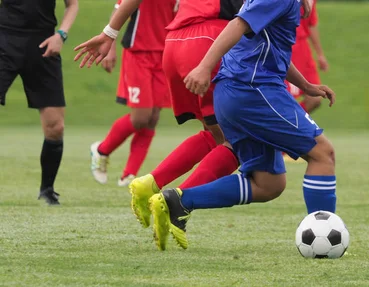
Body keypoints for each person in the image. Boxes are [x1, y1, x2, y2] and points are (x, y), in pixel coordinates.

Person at [159, 0, 337, 250]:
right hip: (253, 90)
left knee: (269, 183)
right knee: (322, 154)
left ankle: (180, 200)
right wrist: (205, 66)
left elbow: (271, 47)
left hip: (236, 91)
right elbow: (238, 24)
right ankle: (324, 239)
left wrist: (306, 86)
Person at [74, 0, 245, 228]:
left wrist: (109, 33)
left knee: (211, 133)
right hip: (208, 40)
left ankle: (144, 181)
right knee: (235, 143)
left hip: (174, 42)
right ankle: (176, 202)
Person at [89, 0, 177, 187]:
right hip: (138, 53)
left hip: (164, 53)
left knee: (153, 117)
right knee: (141, 117)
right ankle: (101, 150)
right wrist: (110, 47)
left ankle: (129, 174)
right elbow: (119, 10)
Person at [0, 0, 79, 205]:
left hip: (45, 45)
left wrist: (61, 35)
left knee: (55, 127)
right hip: (5, 39)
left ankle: (47, 190)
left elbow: (72, 5)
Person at [287, 0, 329, 114]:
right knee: (286, 96)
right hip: (286, 45)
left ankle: (290, 124)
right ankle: (281, 125)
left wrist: (320, 54)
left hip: (303, 48)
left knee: (316, 97)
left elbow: (311, 24)